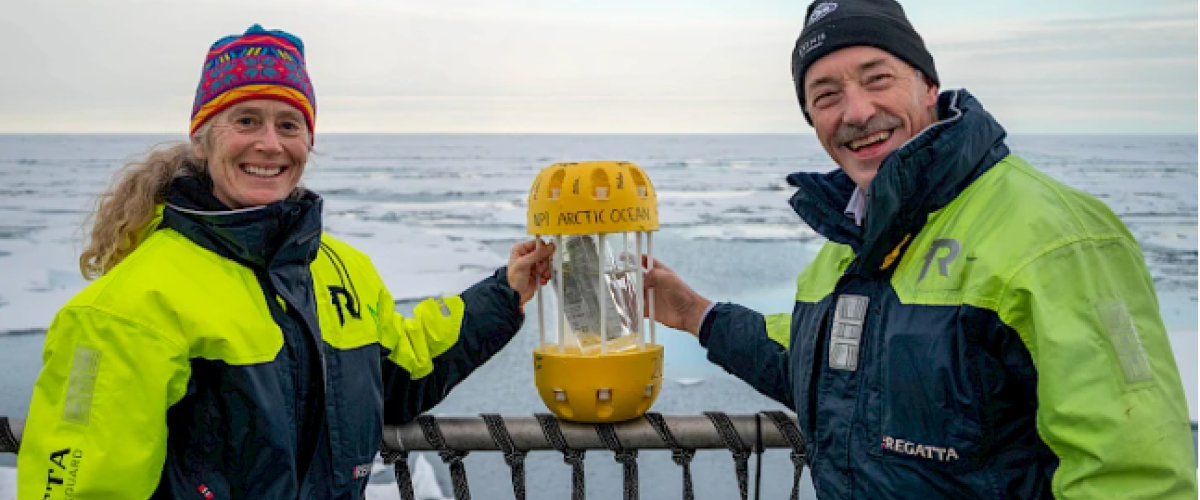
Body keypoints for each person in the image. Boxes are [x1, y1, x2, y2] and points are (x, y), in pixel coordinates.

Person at [643, 1, 1197, 498]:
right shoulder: (847, 250)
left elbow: (1132, 474)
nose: (856, 112)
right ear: (813, 121)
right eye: (826, 96)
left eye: (877, 78)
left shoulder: (1053, 235)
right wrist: (697, 315)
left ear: (927, 86)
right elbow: (832, 375)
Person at [17, 24, 554, 499]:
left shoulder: (342, 268)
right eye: (246, 120)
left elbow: (401, 372)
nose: (269, 144)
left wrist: (505, 292)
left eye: (289, 125)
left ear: (308, 142)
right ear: (203, 141)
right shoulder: (125, 309)